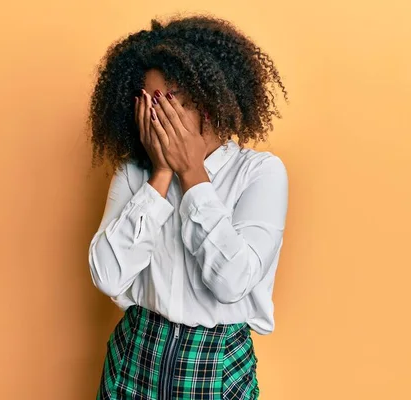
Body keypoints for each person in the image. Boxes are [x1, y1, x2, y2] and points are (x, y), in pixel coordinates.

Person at [87, 14, 289, 399]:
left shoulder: (260, 174)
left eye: (168, 104)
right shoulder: (134, 173)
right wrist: (161, 174)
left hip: (216, 372)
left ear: (208, 104)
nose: (154, 115)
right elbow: (108, 276)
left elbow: (232, 282)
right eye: (147, 103)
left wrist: (191, 172)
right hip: (133, 362)